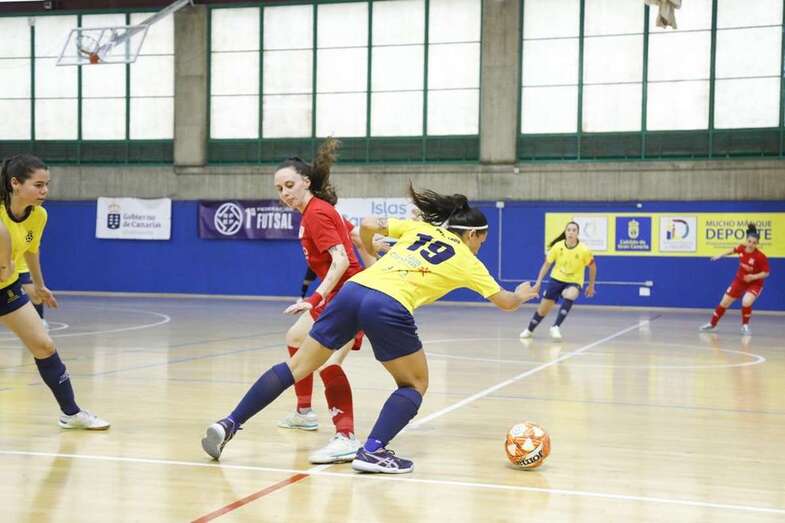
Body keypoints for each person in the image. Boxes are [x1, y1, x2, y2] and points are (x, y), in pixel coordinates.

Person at [201, 184, 538, 473]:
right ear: (473, 234)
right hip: (388, 305)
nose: (481, 245)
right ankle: (373, 450)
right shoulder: (468, 260)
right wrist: (521, 295)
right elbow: (504, 302)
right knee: (415, 383)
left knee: (297, 366)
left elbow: (368, 224)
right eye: (482, 239)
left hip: (354, 290)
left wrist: (369, 248)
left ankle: (228, 423)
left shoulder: (419, 230)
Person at [0, 154, 109, 429]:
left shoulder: (38, 215)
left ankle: (71, 413)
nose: (44, 191)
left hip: (7, 288)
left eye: (46, 184)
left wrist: (39, 285)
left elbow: (32, 251)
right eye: (38, 185)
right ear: (15, 183)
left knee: (44, 345)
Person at [273, 139, 365, 464]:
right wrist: (377, 242)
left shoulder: (317, 214)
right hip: (337, 295)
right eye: (279, 188)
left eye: (289, 185)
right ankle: (304, 412)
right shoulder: (317, 211)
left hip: (350, 296)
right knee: (296, 338)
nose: (284, 193)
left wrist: (313, 297)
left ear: (306, 182)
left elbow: (340, 261)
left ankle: (346, 436)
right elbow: (353, 234)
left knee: (329, 362)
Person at [520, 221, 596, 341]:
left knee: (571, 294)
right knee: (542, 310)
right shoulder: (558, 247)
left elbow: (592, 267)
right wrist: (538, 282)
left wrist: (591, 286)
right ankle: (529, 329)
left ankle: (555, 326)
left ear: (578, 233)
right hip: (556, 280)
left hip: (574, 281)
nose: (571, 232)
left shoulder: (584, 250)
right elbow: (546, 265)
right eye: (568, 230)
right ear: (565, 232)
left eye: (574, 230)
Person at [700, 224, 770, 335]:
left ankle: (745, 326)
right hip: (739, 281)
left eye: (754, 243)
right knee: (724, 302)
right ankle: (712, 324)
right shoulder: (742, 248)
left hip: (755, 284)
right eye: (749, 241)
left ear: (757, 244)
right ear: (746, 240)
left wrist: (753, 277)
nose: (751, 244)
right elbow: (732, 250)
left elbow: (766, 273)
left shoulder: (760, 256)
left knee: (746, 301)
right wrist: (720, 255)